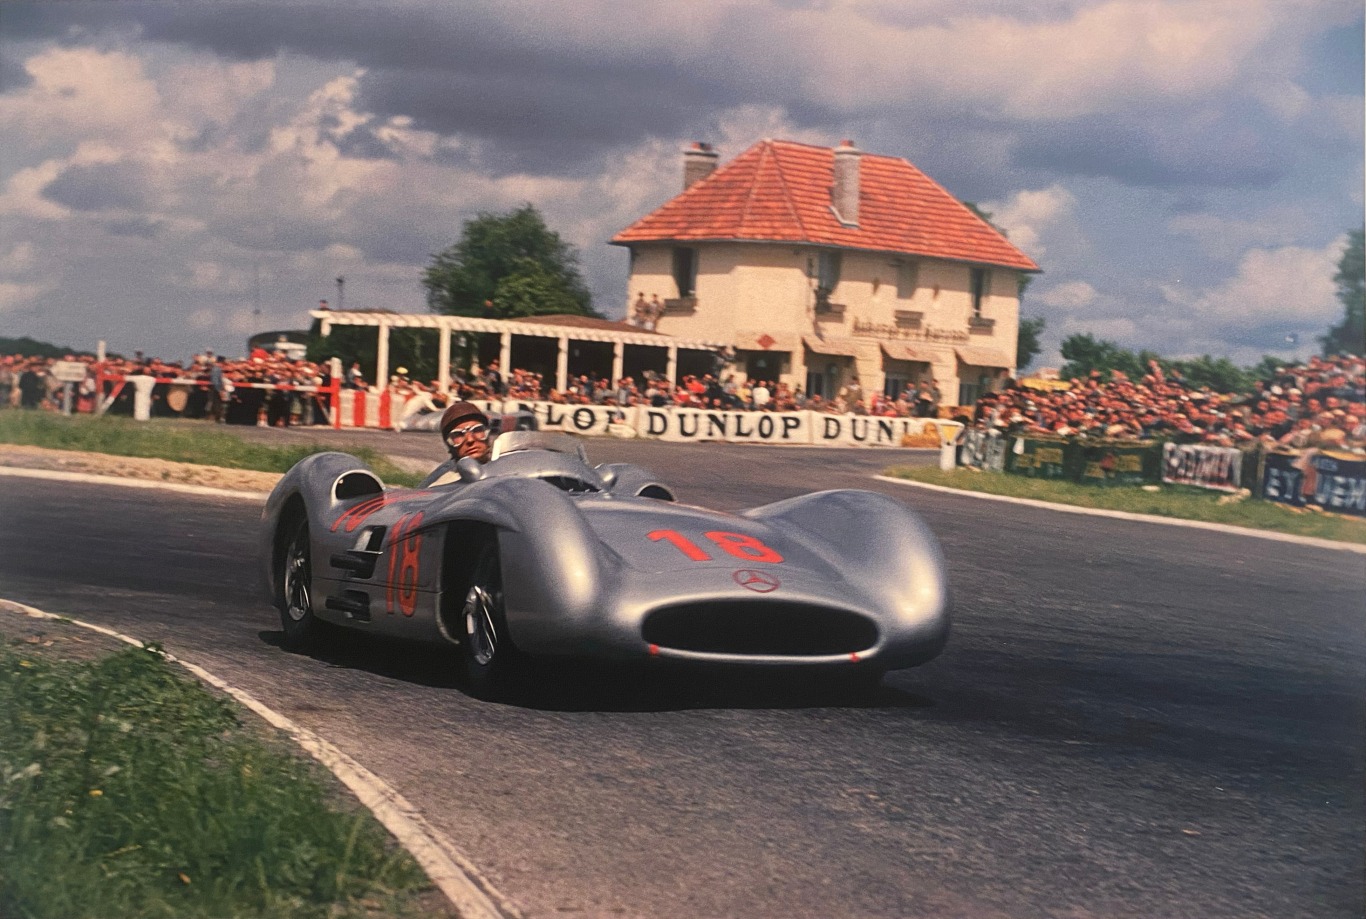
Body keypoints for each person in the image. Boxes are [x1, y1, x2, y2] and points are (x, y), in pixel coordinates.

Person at [440, 400, 494, 465]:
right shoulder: (447, 475)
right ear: (449, 443)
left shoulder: (505, 467)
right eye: (458, 434)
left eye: (477, 430)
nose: (470, 440)